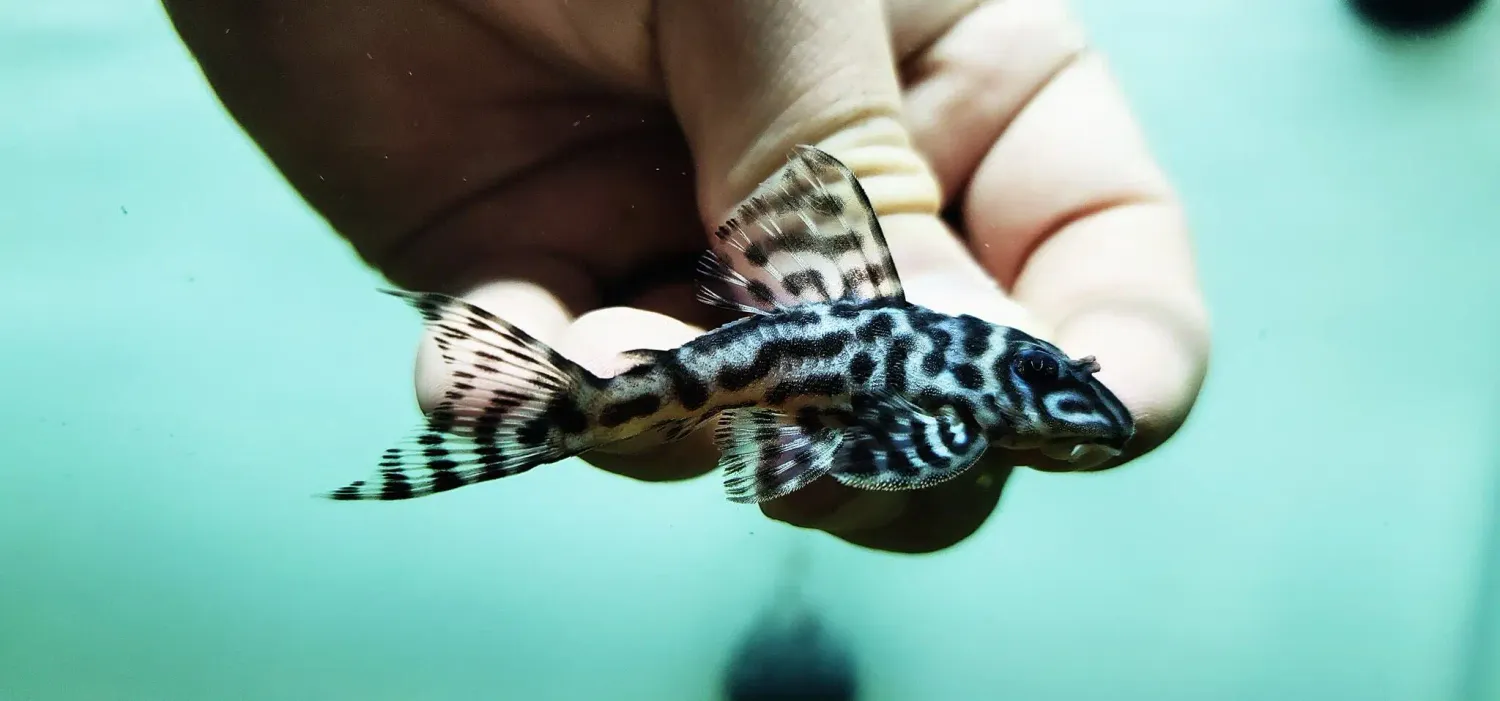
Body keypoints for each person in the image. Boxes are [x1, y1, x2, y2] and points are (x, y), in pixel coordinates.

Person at [162, 0, 1210, 554]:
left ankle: (558, 411)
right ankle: (558, 411)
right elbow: (920, 431)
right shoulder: (969, 387)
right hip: (804, 342)